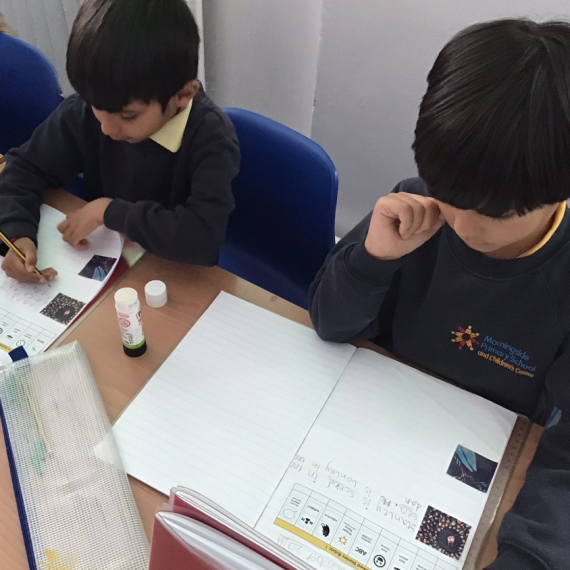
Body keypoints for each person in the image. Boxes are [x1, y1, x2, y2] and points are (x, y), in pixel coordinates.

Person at [310, 19, 570, 570]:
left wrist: (527, 558)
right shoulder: (413, 209)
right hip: (369, 429)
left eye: (497, 212)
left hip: (473, 466)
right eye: (450, 194)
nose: (464, 226)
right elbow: (330, 324)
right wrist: (372, 261)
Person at [0, 0, 239, 284]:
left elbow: (202, 238)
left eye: (128, 117)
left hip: (176, 274)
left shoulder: (210, 137)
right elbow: (24, 167)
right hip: (106, 264)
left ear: (183, 95)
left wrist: (109, 211)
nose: (107, 128)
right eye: (96, 108)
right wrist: (17, 234)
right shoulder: (89, 108)